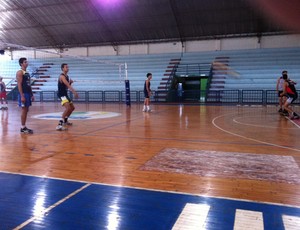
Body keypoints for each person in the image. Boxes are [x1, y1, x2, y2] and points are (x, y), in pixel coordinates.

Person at [56, 63, 79, 131]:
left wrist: (70, 82)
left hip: (65, 94)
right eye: (66, 67)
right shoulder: (62, 76)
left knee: (72, 108)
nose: (67, 68)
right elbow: (68, 86)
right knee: (68, 108)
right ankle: (59, 125)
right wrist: (74, 92)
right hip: (61, 94)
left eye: (68, 67)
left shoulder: (67, 76)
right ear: (63, 68)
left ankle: (65, 121)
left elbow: (66, 86)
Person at [16, 57, 34, 134]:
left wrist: (32, 94)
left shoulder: (27, 73)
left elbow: (29, 85)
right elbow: (19, 84)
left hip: (28, 93)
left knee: (26, 110)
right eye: (25, 62)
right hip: (23, 94)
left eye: (27, 62)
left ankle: (24, 126)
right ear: (21, 64)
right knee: (24, 109)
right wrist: (22, 95)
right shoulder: (20, 72)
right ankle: (22, 127)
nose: (27, 63)